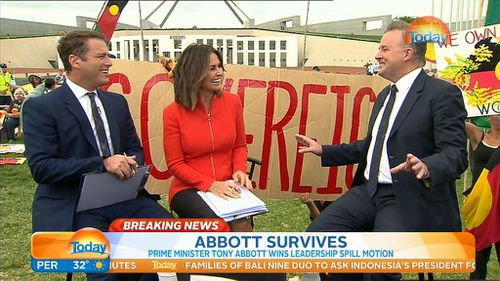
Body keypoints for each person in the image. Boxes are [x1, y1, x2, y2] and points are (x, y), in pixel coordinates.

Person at [296, 20, 468, 281]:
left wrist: (427, 166)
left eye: (384, 49)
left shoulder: (442, 94)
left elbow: (456, 154)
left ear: (407, 53)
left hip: (408, 197)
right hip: (369, 191)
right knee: (318, 239)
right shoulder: (385, 96)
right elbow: (372, 147)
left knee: (379, 265)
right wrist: (324, 150)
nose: (377, 54)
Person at [23, 30, 174, 281]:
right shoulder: (42, 108)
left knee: (171, 246)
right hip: (75, 206)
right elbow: (42, 168)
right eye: (101, 56)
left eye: (109, 55)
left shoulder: (116, 103)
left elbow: (135, 148)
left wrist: (132, 163)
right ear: (75, 61)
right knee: (107, 270)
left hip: (125, 198)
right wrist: (102, 163)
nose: (110, 62)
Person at [163, 43, 286, 281]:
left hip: (229, 185)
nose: (219, 72)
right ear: (194, 72)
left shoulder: (232, 102)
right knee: (217, 226)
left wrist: (239, 170)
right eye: (211, 68)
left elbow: (240, 145)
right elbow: (175, 164)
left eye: (220, 67)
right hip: (189, 189)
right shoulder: (173, 112)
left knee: (241, 226)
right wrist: (210, 184)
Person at [464, 114, 499, 280]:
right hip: (480, 206)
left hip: (499, 206)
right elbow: (452, 119)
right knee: (477, 259)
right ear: (488, 114)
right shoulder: (477, 134)